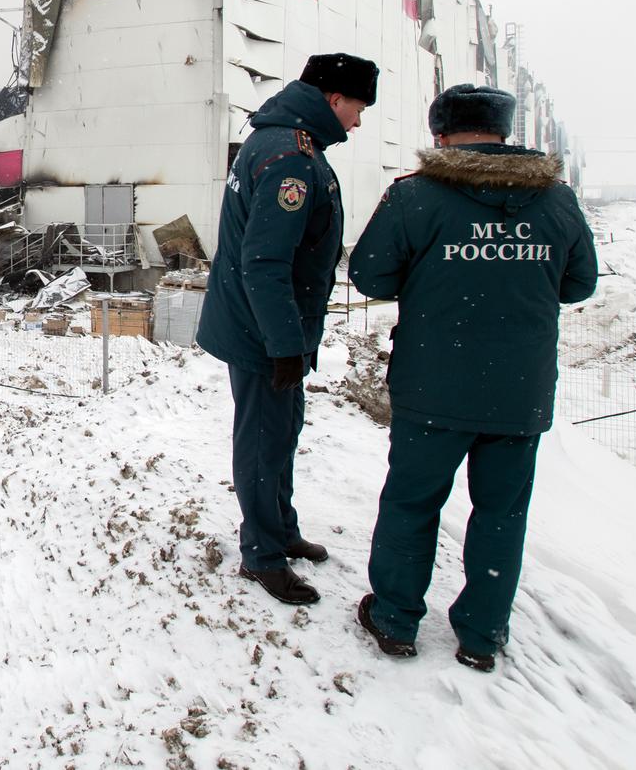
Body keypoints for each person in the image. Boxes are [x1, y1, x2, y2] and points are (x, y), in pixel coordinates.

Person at [348, 84, 597, 671]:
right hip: (518, 391)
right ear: (503, 133)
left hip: (433, 386)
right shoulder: (556, 201)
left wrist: (437, 271)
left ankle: (394, 619)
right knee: (502, 513)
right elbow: (579, 284)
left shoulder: (416, 197)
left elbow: (370, 277)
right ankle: (483, 633)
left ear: (440, 135)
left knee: (411, 504)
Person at [198, 52, 379, 605]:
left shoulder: (281, 141)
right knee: (263, 440)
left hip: (270, 325)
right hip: (264, 331)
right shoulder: (291, 158)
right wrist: (283, 346)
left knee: (281, 434)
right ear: (334, 99)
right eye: (358, 108)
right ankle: (263, 555)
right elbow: (266, 263)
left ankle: (280, 527)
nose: (359, 121)